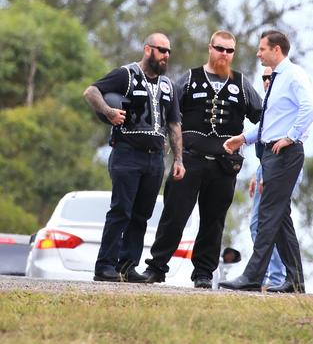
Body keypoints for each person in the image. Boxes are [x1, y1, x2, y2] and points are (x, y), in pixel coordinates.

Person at [140, 30, 262, 288]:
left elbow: (262, 118)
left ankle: (203, 273)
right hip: (190, 160)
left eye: (229, 50)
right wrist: (170, 149)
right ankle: (157, 267)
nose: (224, 54)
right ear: (210, 48)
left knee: (214, 221)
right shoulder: (190, 78)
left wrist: (246, 143)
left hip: (224, 165)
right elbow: (169, 111)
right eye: (220, 48)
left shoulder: (241, 84)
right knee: (174, 215)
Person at [220, 30, 313, 293]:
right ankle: (295, 280)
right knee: (280, 216)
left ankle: (253, 276)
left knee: (268, 214)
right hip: (271, 154)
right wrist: (242, 138)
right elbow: (268, 123)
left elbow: (310, 109)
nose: (258, 53)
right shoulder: (276, 78)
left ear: (276, 50)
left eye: (262, 49)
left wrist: (290, 137)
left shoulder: (294, 75)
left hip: (285, 155)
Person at [83, 33, 185, 283]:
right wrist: (108, 112)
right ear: (148, 49)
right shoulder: (125, 75)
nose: (166, 56)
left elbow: (174, 124)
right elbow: (91, 91)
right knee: (121, 211)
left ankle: (127, 266)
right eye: (162, 50)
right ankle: (105, 266)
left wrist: (179, 159)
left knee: (142, 215)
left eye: (169, 51)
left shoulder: (167, 86)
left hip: (155, 159)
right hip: (127, 154)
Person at [248, 66, 286, 288]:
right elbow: (262, 137)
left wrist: (270, 175)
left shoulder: (282, 104)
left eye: (271, 77)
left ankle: (276, 278)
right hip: (265, 167)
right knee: (257, 225)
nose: (266, 81)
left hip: (280, 168)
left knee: (274, 224)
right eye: (263, 77)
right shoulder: (268, 105)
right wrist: (258, 172)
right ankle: (266, 276)